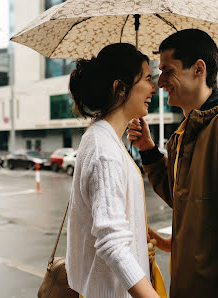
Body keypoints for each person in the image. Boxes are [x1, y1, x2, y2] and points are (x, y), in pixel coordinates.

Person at [128, 29, 218, 297]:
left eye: (168, 71)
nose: (160, 83)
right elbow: (184, 199)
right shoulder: (184, 132)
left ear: (199, 69)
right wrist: (148, 150)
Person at [65, 43, 162, 298]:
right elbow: (112, 242)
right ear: (121, 88)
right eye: (148, 79)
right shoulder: (104, 150)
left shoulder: (102, 138)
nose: (154, 89)